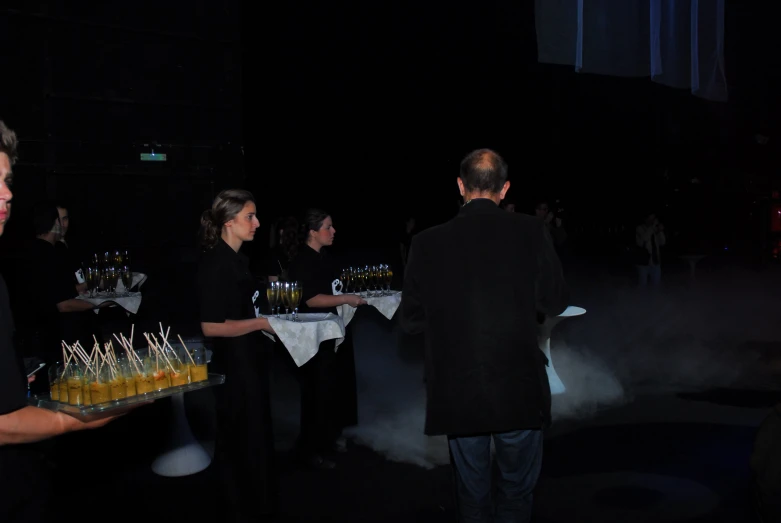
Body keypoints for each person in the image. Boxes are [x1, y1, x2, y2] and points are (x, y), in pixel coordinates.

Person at [400, 149, 568, 523]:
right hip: (518, 386)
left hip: (458, 390)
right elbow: (554, 301)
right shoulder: (531, 231)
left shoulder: (426, 242)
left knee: (472, 497)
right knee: (516, 493)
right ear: (504, 188)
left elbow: (410, 320)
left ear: (460, 186)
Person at [0, 120, 123, 522]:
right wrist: (75, 420)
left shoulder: (19, 259)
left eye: (7, 181)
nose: (7, 194)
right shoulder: (43, 257)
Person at [196, 189, 278, 522]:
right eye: (250, 216)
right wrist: (262, 323)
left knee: (244, 439)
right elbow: (210, 327)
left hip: (248, 360)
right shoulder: (216, 264)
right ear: (229, 221)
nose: (257, 223)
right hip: (234, 366)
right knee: (240, 440)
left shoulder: (236, 261)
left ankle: (245, 505)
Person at [288, 209, 365, 469]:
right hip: (314, 338)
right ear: (312, 231)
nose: (333, 232)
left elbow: (335, 288)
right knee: (316, 393)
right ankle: (309, 451)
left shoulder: (325, 257)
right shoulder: (303, 260)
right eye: (328, 227)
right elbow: (312, 299)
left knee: (331, 390)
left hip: (330, 332)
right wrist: (345, 299)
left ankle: (328, 440)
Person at [635, 212, 665, 288]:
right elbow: (643, 240)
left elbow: (662, 242)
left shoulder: (655, 229)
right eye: (651, 219)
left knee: (656, 287)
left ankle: (655, 299)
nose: (652, 221)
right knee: (642, 287)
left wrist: (660, 231)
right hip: (643, 263)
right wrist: (652, 228)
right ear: (646, 219)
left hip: (655, 262)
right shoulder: (639, 228)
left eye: (653, 219)